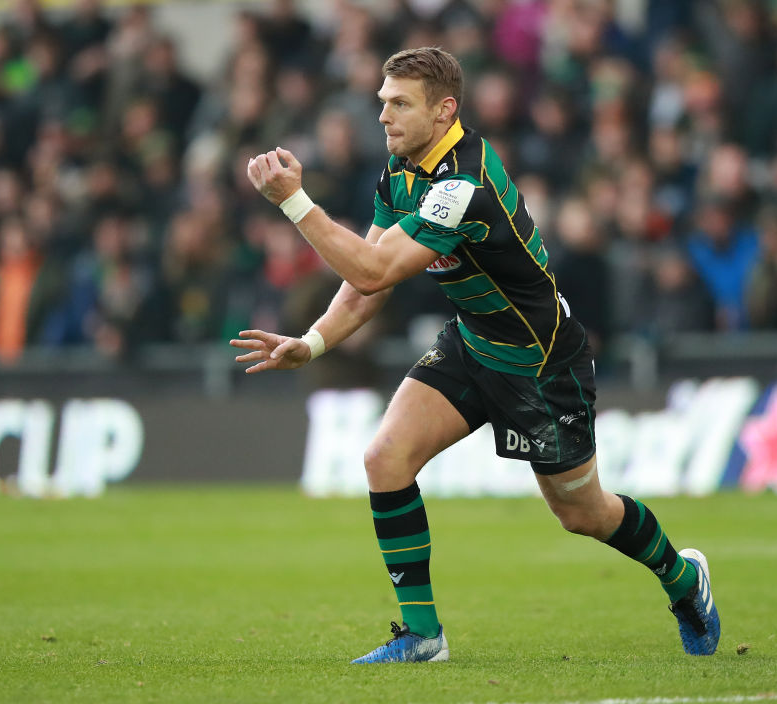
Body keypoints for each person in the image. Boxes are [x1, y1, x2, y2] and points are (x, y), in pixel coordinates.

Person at [231, 47, 720, 663]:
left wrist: (294, 203)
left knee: (583, 514)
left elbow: (376, 268)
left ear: (445, 111)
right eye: (382, 102)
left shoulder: (463, 184)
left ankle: (683, 578)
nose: (383, 116)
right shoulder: (400, 171)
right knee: (385, 458)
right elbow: (364, 285)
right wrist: (313, 342)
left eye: (400, 104)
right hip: (472, 341)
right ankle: (422, 635)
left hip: (540, 365)